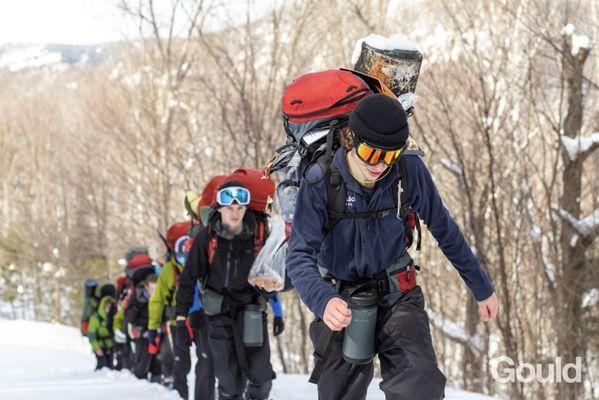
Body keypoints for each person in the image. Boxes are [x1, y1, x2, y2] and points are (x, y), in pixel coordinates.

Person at [286, 94, 499, 400]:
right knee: (338, 394)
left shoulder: (408, 171)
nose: (378, 166)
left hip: (396, 291)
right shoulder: (321, 180)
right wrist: (324, 301)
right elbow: (299, 256)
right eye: (369, 153)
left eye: (389, 155)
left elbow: (444, 228)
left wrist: (482, 288)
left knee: (419, 383)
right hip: (339, 297)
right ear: (350, 139)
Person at [176, 180, 276, 400]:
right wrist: (182, 317)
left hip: (251, 311)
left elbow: (273, 274)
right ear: (219, 208)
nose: (234, 213)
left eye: (239, 208)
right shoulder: (206, 237)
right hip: (218, 313)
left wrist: (272, 296)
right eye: (229, 208)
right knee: (230, 384)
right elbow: (188, 278)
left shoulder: (258, 234)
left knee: (261, 378)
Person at [148, 221, 192, 392]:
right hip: (177, 323)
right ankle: (181, 395)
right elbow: (157, 300)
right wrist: (153, 327)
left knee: (207, 363)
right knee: (182, 363)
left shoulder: (202, 261)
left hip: (201, 320)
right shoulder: (168, 270)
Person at [125, 265, 162, 382]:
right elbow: (128, 317)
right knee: (142, 360)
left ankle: (156, 386)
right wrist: (138, 310)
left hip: (156, 331)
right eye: (151, 290)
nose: (153, 293)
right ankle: (141, 384)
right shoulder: (137, 297)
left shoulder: (160, 297)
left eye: (156, 290)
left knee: (157, 361)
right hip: (141, 332)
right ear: (146, 287)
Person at [87, 293, 117, 370]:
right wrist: (97, 348)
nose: (109, 309)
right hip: (99, 345)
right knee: (102, 365)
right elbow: (91, 334)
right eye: (107, 306)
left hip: (110, 345)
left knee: (110, 366)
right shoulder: (96, 317)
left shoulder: (114, 316)